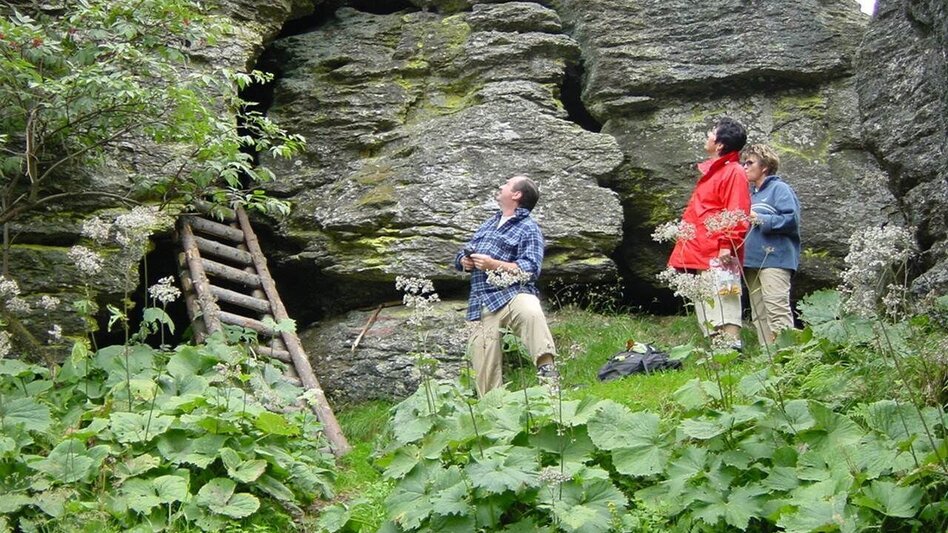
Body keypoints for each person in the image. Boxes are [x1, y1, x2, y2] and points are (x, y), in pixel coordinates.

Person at [455, 175, 557, 396]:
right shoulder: (489, 223)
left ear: (516, 194)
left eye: (507, 184)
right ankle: (494, 407)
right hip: (481, 302)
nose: (501, 185)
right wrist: (464, 261)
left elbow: (530, 270)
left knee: (531, 312)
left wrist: (493, 265)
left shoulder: (529, 228)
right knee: (483, 365)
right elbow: (462, 254)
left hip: (513, 294)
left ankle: (550, 383)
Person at [667, 117, 751, 346]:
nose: (707, 135)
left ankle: (731, 352)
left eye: (712, 132)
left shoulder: (734, 171)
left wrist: (726, 245)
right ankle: (719, 354)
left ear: (720, 144)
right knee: (708, 309)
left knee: (725, 304)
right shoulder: (716, 171)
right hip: (703, 251)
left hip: (718, 253)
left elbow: (737, 211)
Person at [740, 144, 801, 345]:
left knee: (777, 309)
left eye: (750, 162)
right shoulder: (750, 195)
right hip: (751, 262)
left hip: (775, 260)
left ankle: (789, 356)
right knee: (759, 315)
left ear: (765, 166)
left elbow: (791, 220)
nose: (745, 167)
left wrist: (761, 219)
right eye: (744, 163)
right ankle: (769, 357)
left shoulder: (780, 189)